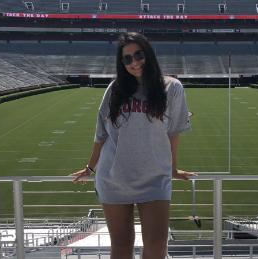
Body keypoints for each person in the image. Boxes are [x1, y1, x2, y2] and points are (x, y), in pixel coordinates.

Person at [71, 32, 195, 259]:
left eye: (138, 54)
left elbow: (174, 133)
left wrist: (172, 169)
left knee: (157, 248)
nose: (134, 62)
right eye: (127, 59)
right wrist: (90, 168)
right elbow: (101, 134)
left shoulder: (172, 88)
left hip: (155, 178)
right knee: (121, 247)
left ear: (148, 53)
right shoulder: (115, 89)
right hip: (114, 177)